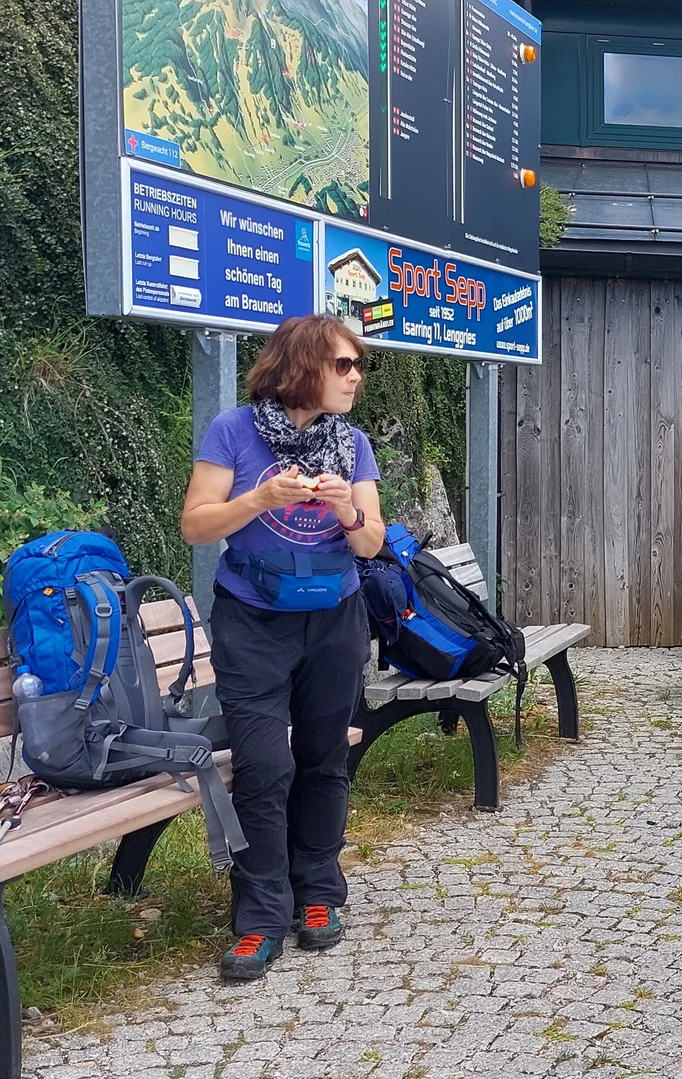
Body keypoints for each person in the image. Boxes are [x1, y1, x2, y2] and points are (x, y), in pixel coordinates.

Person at [179, 315, 386, 983]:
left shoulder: (350, 444)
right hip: (253, 622)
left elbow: (371, 542)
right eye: (343, 364)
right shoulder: (233, 432)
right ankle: (261, 917)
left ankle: (319, 894)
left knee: (325, 757)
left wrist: (346, 513)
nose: (355, 375)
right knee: (266, 766)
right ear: (302, 365)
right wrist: (262, 495)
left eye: (359, 365)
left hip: (334, 618)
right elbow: (195, 523)